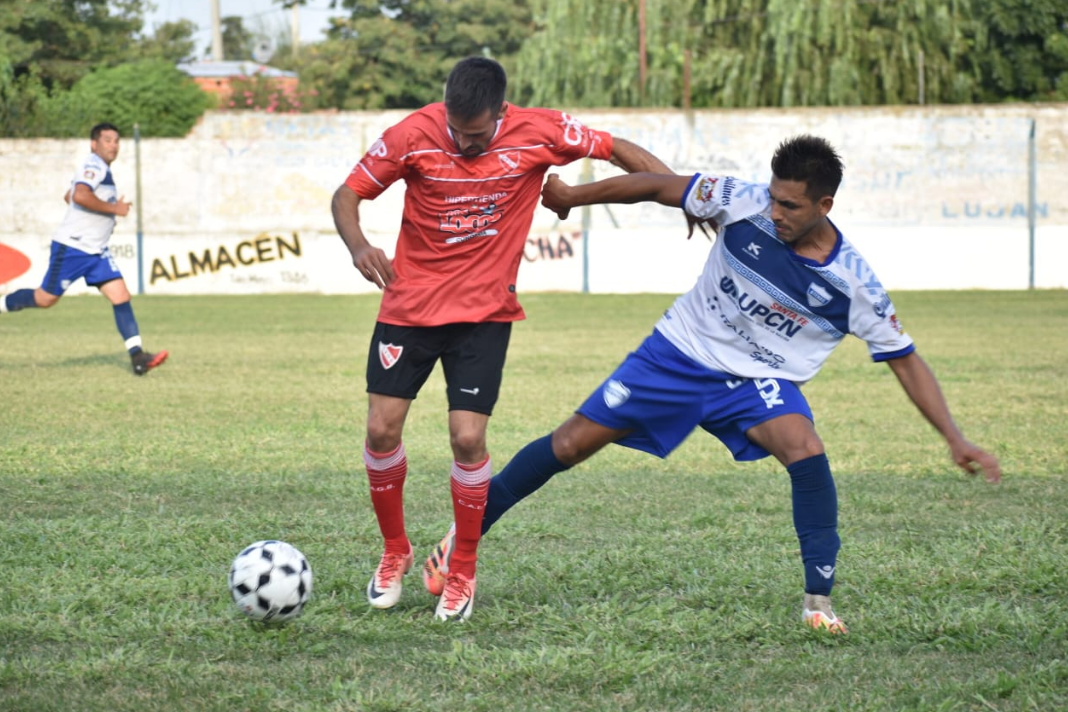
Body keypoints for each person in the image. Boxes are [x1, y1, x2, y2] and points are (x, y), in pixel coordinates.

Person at [421, 134, 1002, 633]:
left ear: (825, 204)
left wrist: (955, 438)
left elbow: (905, 358)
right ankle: (461, 537)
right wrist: (573, 196)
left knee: (805, 448)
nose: (777, 213)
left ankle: (817, 602)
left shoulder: (854, 285)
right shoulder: (741, 201)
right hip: (676, 355)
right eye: (774, 198)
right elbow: (655, 184)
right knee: (570, 444)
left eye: (792, 206)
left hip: (755, 381)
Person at [330, 56, 672, 621]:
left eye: (476, 134)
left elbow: (615, 147)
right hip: (409, 306)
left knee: (468, 440)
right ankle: (394, 552)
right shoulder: (410, 134)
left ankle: (462, 566)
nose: (463, 144)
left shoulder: (540, 130)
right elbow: (348, 195)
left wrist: (681, 191)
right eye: (455, 132)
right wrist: (358, 245)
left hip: (483, 314)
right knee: (379, 427)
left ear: (500, 112)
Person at [0, 122, 168, 376]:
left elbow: (69, 196)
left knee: (121, 296)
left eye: (116, 141)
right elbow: (79, 195)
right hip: (73, 248)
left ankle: (138, 357)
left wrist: (100, 217)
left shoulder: (101, 170)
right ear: (94, 144)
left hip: (96, 251)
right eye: (107, 140)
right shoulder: (94, 165)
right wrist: (114, 210)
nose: (114, 145)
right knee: (45, 299)